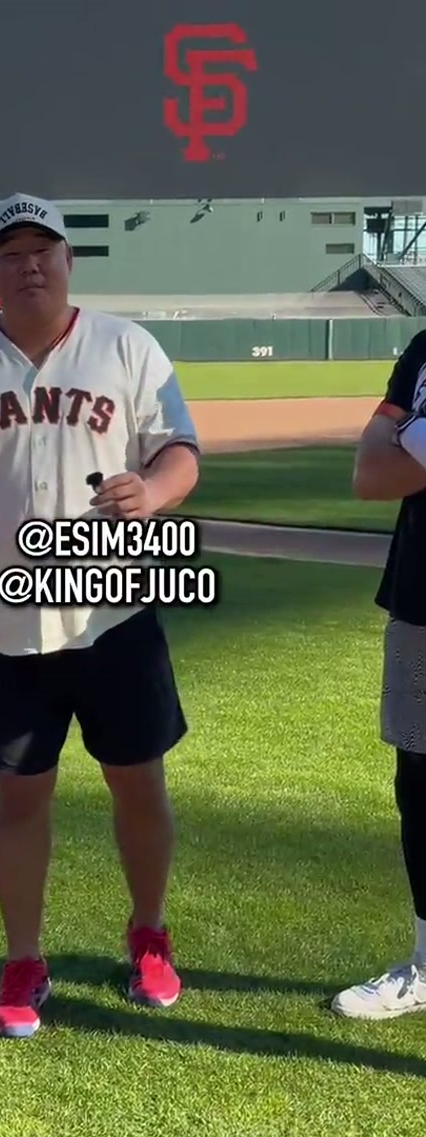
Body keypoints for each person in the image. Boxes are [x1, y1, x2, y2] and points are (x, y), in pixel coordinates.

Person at [0, 192, 200, 1039]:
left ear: (68, 261)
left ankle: (149, 933)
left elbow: (179, 450)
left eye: (42, 250)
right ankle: (24, 958)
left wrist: (155, 490)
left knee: (139, 782)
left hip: (115, 616)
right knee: (20, 798)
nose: (29, 265)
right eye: (11, 253)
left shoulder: (126, 346)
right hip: (4, 625)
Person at [332, 329, 426, 1019]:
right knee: (420, 787)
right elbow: (370, 472)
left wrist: (403, 442)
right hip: (419, 598)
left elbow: (391, 458)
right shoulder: (423, 349)